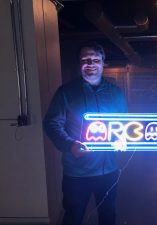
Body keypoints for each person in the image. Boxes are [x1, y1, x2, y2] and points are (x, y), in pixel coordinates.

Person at [43, 42, 127, 225]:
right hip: (77, 172)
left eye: (96, 59)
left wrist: (122, 137)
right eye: (85, 59)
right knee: (73, 217)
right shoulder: (66, 92)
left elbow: (123, 123)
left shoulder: (116, 93)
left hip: (109, 169)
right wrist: (70, 145)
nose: (90, 63)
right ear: (79, 63)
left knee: (108, 216)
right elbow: (51, 123)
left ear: (103, 62)